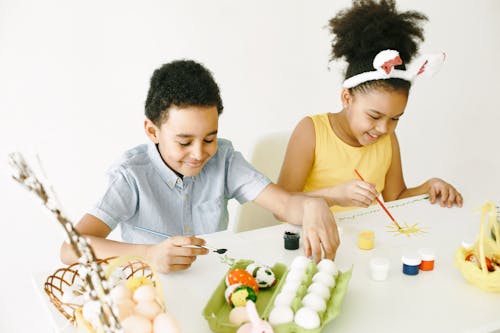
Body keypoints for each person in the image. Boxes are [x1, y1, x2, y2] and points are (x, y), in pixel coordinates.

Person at [60, 59, 339, 273]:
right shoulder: (132, 175)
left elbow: (284, 205)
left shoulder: (224, 158)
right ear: (152, 131)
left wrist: (311, 205)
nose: (198, 153)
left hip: (211, 279)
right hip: (150, 287)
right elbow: (71, 248)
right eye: (183, 142)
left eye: (209, 138)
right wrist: (148, 254)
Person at [277, 0, 463, 213]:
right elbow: (281, 204)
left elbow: (395, 197)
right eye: (374, 116)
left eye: (395, 118)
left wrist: (429, 187)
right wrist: (335, 196)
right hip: (312, 241)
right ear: (347, 98)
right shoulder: (311, 131)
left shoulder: (387, 139)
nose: (384, 128)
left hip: (367, 242)